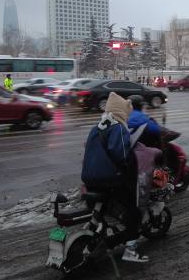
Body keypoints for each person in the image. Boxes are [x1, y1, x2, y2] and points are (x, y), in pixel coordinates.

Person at [81, 92, 149, 263]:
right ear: (121, 112)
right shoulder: (118, 127)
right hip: (108, 180)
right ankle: (130, 250)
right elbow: (122, 156)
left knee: (105, 207)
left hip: (89, 179)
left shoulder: (97, 127)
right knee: (134, 212)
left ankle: (104, 234)